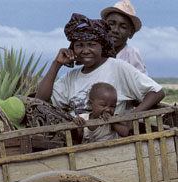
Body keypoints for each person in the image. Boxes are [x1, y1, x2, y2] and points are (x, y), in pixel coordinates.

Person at [35, 13, 164, 136]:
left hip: (108, 141)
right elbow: (40, 102)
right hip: (79, 142)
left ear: (102, 46)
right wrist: (56, 64)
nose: (85, 50)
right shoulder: (71, 77)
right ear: (73, 49)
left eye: (92, 45)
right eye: (79, 45)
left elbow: (157, 92)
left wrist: (131, 117)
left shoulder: (117, 67)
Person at [101, 0, 147, 74]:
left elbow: (141, 79)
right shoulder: (97, 51)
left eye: (123, 27)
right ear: (103, 26)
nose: (115, 30)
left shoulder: (132, 54)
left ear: (131, 33)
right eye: (111, 24)